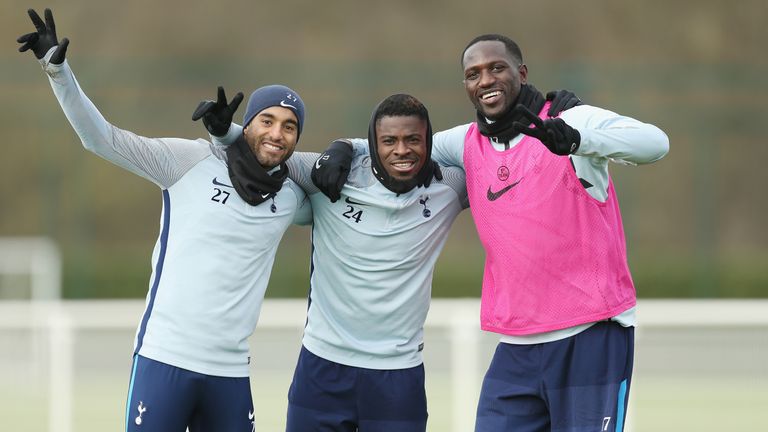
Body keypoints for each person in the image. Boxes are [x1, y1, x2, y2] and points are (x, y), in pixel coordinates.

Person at [312, 34, 669, 432]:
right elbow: (397, 146)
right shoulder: (467, 141)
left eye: (496, 68)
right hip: (517, 346)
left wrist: (577, 139)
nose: (485, 80)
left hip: (590, 334)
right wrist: (342, 147)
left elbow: (655, 143)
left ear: (521, 72)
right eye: (473, 74)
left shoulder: (571, 120)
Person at [18, 8, 311, 432]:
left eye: (289, 127)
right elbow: (101, 139)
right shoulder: (187, 161)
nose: (277, 133)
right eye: (267, 120)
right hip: (164, 360)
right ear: (248, 123)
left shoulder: (289, 198)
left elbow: (330, 184)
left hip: (230, 374)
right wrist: (59, 72)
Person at [196, 92, 466, 431]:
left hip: (399, 376)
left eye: (414, 140)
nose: (401, 150)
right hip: (322, 370)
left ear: (428, 143)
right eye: (388, 141)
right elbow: (269, 151)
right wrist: (225, 133)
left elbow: (500, 158)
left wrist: (551, 116)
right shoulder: (327, 173)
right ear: (374, 141)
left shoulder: (450, 185)